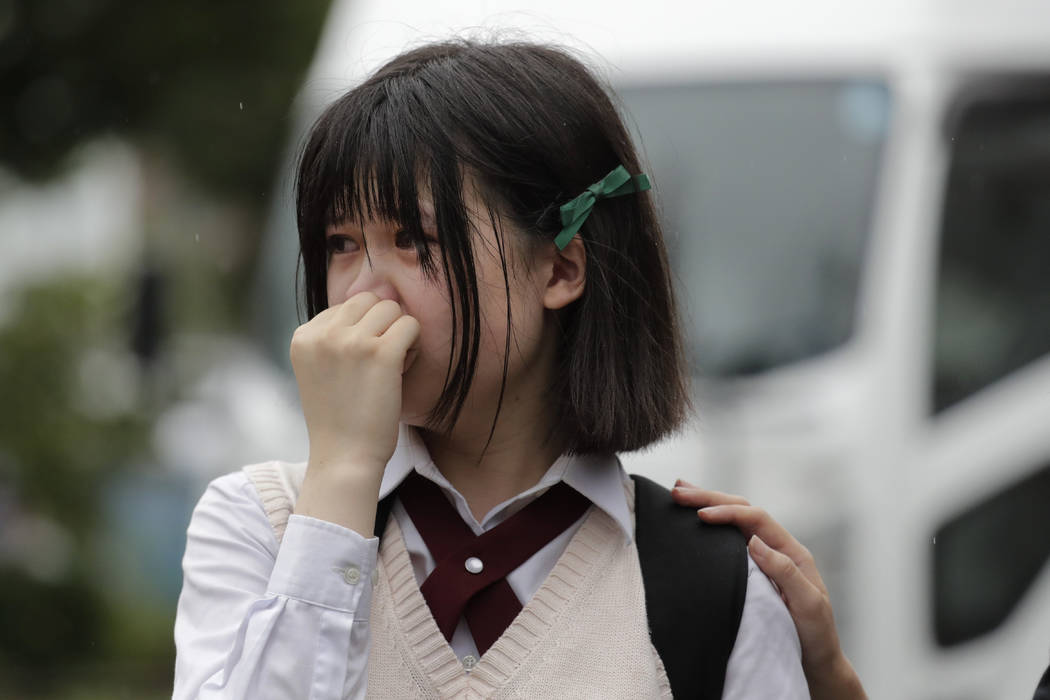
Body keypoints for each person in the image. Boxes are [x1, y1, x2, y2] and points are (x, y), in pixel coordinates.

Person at [172, 39, 809, 699]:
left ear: (560, 269)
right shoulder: (256, 526)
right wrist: (340, 476)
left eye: (414, 241)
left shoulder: (711, 581)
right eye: (341, 244)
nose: (365, 294)